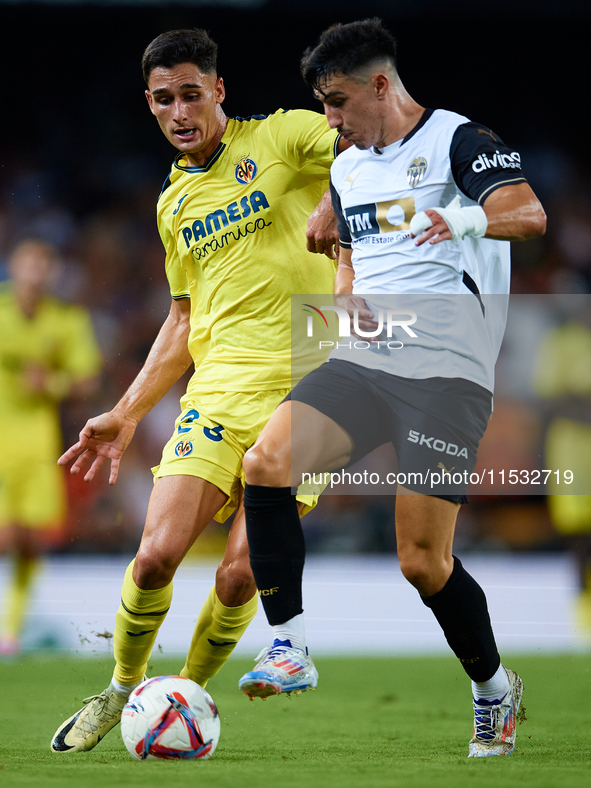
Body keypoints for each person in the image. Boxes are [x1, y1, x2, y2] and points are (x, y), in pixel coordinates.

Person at [239, 18, 546, 759]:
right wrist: (346, 295)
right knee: (264, 463)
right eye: (321, 105)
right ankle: (288, 648)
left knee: (421, 562)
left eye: (337, 102)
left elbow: (529, 215)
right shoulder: (346, 170)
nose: (329, 121)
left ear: (381, 84)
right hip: (368, 361)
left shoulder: (459, 142)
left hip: (446, 375)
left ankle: (492, 689)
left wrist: (464, 217)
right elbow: (350, 252)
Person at [51, 28, 347, 753]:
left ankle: (185, 691)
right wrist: (125, 413)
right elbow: (184, 317)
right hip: (217, 390)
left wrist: (339, 200)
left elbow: (369, 144)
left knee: (243, 573)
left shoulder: (283, 137)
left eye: (191, 93)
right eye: (164, 100)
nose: (179, 111)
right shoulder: (173, 201)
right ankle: (124, 687)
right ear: (148, 106)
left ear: (218, 91)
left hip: (310, 386)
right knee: (155, 557)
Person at [0, 239, 101, 656]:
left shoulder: (66, 321)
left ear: (51, 273)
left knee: (28, 540)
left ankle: (11, 630)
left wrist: (53, 384)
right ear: (13, 268)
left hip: (39, 444)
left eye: (42, 266)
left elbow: (88, 378)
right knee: (6, 534)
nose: (33, 274)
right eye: (27, 265)